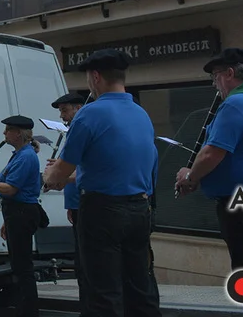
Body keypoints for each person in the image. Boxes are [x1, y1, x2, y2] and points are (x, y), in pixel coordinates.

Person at [43, 49, 160, 317]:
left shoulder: (90, 114)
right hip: (140, 209)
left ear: (95, 77)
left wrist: (50, 178)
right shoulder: (141, 114)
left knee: (103, 290)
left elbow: (62, 169)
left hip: (102, 211)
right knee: (140, 286)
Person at [175, 48, 243, 317]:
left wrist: (190, 177)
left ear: (230, 73)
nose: (215, 84)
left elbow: (211, 153)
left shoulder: (236, 104)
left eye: (215, 77)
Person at [0, 116, 43, 317]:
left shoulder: (26, 157)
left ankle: (28, 310)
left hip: (21, 212)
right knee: (18, 263)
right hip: (16, 213)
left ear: (18, 133)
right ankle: (24, 307)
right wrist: (6, 222)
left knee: (22, 266)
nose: (4, 133)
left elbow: (11, 188)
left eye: (8, 129)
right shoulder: (19, 155)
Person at [47, 92, 88, 313]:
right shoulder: (72, 132)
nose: (62, 117)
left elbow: (85, 170)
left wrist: (59, 174)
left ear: (78, 108)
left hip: (86, 204)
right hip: (75, 204)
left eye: (65, 111)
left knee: (87, 262)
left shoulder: (83, 130)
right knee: (81, 260)